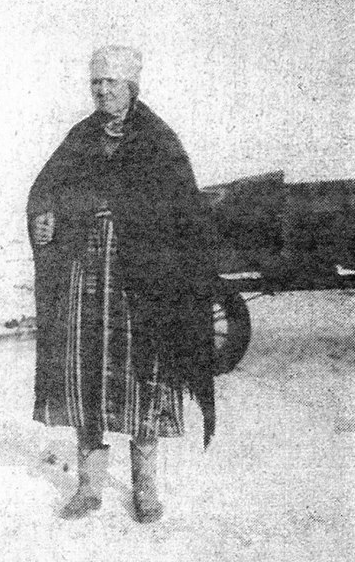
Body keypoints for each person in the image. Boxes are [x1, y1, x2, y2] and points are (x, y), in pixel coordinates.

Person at [27, 46, 218, 523]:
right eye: (97, 82)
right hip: (84, 273)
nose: (102, 90)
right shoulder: (80, 137)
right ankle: (89, 484)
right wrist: (43, 217)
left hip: (141, 280)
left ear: (132, 86)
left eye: (112, 83)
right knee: (84, 371)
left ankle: (145, 487)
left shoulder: (158, 139)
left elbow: (183, 211)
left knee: (141, 377)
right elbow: (44, 187)